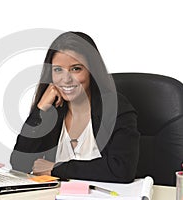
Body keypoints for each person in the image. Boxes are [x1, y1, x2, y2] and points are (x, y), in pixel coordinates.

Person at [10, 31, 140, 183]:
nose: (66, 79)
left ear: (92, 71)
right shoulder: (54, 111)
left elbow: (122, 170)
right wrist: (40, 110)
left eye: (76, 69)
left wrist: (56, 168)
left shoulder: (116, 107)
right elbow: (19, 164)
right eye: (58, 69)